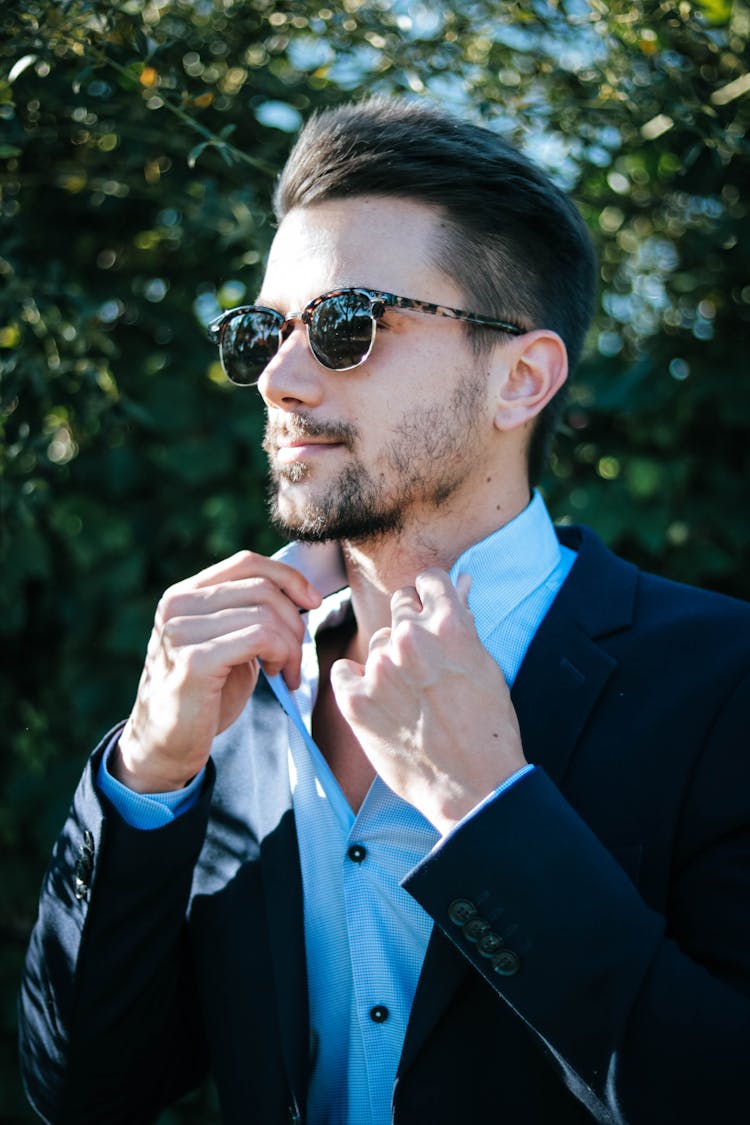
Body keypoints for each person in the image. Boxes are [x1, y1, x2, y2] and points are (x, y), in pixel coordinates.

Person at [19, 97, 750, 1125]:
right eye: (263, 331)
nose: (277, 377)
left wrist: (492, 817)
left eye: (347, 326)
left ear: (521, 378)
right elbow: (84, 1089)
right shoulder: (227, 696)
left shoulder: (724, 683)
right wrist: (145, 775)